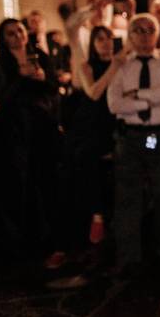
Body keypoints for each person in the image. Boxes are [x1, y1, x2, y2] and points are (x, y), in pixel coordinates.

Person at [107, 14, 160, 276]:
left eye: (149, 30)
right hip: (130, 137)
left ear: (157, 34)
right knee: (128, 198)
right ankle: (129, 259)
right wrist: (149, 101)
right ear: (130, 35)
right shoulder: (123, 65)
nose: (144, 35)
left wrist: (137, 95)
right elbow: (115, 104)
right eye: (138, 30)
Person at [0, 18, 62, 261]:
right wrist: (21, 76)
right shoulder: (1, 63)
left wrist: (42, 78)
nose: (17, 36)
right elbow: (3, 96)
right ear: (4, 39)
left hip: (41, 125)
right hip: (14, 129)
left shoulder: (39, 55)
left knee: (43, 178)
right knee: (18, 180)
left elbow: (54, 87)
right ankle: (17, 240)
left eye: (19, 30)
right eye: (10, 33)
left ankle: (45, 236)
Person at [63, 25, 125, 253]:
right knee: (77, 154)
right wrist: (114, 67)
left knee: (91, 155)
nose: (105, 42)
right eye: (99, 38)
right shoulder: (87, 66)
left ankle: (101, 214)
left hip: (111, 124)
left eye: (108, 37)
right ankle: (89, 215)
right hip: (88, 124)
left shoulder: (122, 64)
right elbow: (94, 92)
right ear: (93, 43)